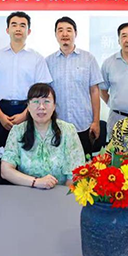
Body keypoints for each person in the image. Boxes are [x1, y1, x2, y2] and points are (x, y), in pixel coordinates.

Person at [0, 12, 52, 148]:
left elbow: (41, 92)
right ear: (7, 30)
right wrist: (0, 115)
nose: (18, 28)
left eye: (22, 25)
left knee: (28, 152)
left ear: (28, 31)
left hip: (28, 110)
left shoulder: (37, 58)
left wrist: (25, 115)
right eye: (14, 25)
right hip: (0, 111)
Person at [1, 83, 85, 189]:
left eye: (47, 101)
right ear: (28, 106)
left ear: (54, 106)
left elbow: (76, 174)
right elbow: (5, 171)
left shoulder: (68, 130)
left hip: (59, 193)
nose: (41, 107)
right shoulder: (18, 131)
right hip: (26, 191)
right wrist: (36, 182)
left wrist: (64, 194)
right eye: (36, 102)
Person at [46, 16, 104, 157]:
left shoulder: (88, 59)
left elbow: (94, 91)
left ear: (75, 33)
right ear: (56, 35)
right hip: (57, 125)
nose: (64, 34)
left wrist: (96, 121)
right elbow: (45, 95)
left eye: (69, 30)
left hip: (83, 124)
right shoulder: (48, 61)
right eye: (60, 30)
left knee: (84, 165)